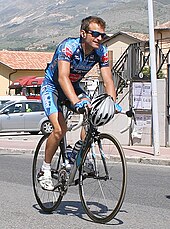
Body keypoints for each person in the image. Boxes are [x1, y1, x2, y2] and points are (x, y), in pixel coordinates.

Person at [38, 16, 122, 191]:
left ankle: (80, 151)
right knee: (60, 129)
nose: (99, 38)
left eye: (102, 36)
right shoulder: (68, 47)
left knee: (92, 113)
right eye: (95, 34)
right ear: (83, 33)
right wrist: (76, 102)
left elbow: (108, 80)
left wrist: (112, 103)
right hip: (52, 87)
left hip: (73, 87)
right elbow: (62, 77)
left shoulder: (101, 51)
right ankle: (44, 170)